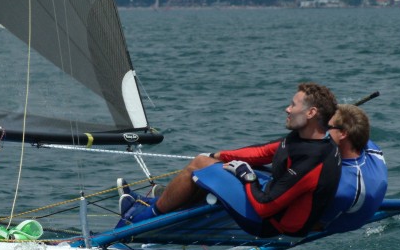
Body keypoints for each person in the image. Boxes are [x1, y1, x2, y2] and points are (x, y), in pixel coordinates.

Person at [118, 82, 342, 237]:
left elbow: (264, 207)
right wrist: (219, 155)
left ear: (311, 113)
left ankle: (134, 222)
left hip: (270, 223)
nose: (287, 108)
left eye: (293, 105)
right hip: (274, 202)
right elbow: (263, 152)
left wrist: (247, 176)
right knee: (212, 163)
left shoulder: (313, 161)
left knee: (198, 165)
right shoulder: (307, 139)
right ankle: (149, 205)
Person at [317, 103, 388, 233]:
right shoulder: (373, 150)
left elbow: (316, 225)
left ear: (343, 134)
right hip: (365, 202)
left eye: (326, 127)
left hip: (334, 223)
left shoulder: (342, 188)